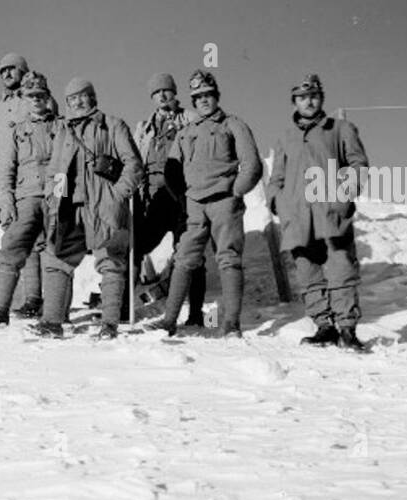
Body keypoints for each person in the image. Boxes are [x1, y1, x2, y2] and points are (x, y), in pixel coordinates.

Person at [266, 73, 370, 352]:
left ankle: (347, 328)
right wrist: (277, 203)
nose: (308, 102)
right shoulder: (285, 137)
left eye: (313, 96)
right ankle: (324, 327)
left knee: (340, 268)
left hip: (331, 210)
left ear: (321, 98)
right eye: (302, 97)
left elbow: (358, 164)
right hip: (297, 215)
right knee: (308, 272)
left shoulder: (340, 129)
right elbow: (276, 177)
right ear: (294, 102)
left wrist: (344, 196)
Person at [36, 77, 144, 340]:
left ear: (92, 97)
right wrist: (51, 196)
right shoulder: (64, 130)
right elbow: (54, 170)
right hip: (69, 206)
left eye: (82, 96)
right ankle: (51, 322)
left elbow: (133, 164)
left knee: (110, 260)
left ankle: (109, 324)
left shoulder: (112, 125)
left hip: (103, 204)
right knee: (56, 258)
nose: (77, 102)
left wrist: (117, 195)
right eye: (72, 99)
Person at [159, 69, 262, 338]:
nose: (204, 100)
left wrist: (236, 191)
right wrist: (182, 197)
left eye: (208, 95)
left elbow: (251, 164)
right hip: (195, 205)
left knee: (228, 259)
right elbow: (171, 167)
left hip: (224, 202)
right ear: (193, 102)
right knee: (183, 259)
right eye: (198, 97)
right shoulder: (186, 132)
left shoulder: (233, 124)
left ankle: (231, 323)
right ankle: (169, 320)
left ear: (216, 96)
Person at [0, 71, 59, 324]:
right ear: (23, 99)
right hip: (25, 198)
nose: (35, 100)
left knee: (55, 253)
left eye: (40, 95)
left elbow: (67, 165)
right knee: (11, 249)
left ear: (47, 97)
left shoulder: (61, 128)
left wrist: (59, 198)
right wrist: (6, 200)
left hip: (54, 198)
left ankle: (55, 314)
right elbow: (6, 167)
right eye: (30, 96)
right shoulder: (16, 131)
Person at [133, 72, 204, 327]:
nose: (162, 96)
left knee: (188, 251)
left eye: (166, 91)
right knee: (137, 244)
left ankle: (195, 313)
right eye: (156, 93)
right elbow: (138, 160)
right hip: (154, 198)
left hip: (183, 196)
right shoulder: (145, 127)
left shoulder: (191, 119)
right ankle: (122, 306)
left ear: (175, 93)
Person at [0, 51, 42, 314]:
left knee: (39, 242)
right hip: (9, 181)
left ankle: (38, 299)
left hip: (35, 182)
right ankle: (25, 300)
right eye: (3, 71)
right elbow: (0, 149)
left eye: (12, 69)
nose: (7, 74)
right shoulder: (0, 107)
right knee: (16, 239)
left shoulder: (36, 97)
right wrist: (2, 190)